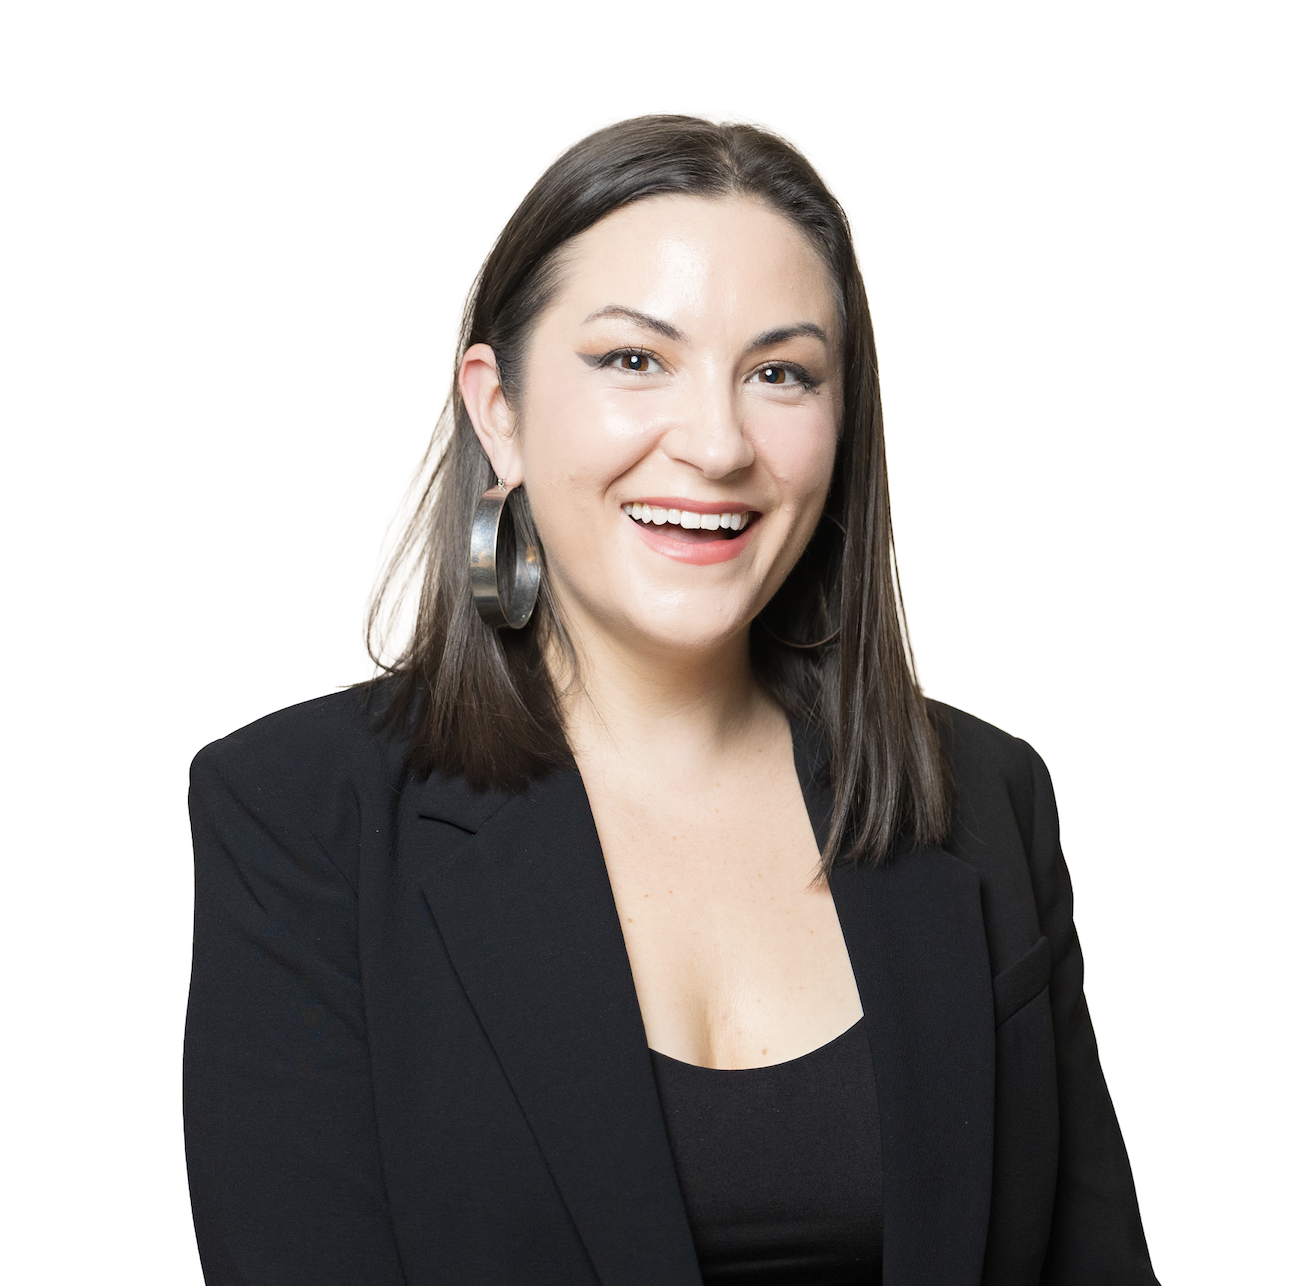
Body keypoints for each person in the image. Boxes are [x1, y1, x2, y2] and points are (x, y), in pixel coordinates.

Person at [184, 116, 1159, 1286]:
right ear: (499, 409)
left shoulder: (987, 797)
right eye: (635, 359)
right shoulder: (297, 814)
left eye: (780, 373)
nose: (716, 443)